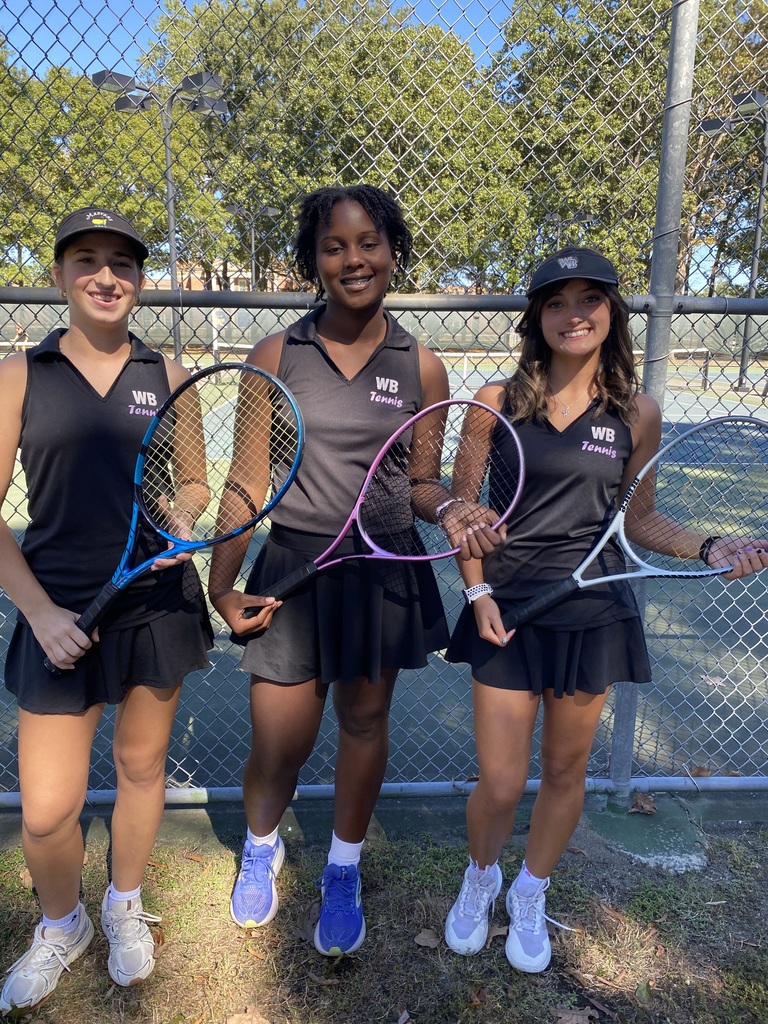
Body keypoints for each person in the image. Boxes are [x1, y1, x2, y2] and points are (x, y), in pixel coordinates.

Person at [442, 246, 768, 973]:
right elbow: (463, 514)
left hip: (593, 613)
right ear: (537, 317)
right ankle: (481, 879)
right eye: (557, 301)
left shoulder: (636, 414)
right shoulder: (490, 405)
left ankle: (531, 890)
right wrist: (477, 589)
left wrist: (710, 543)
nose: (574, 314)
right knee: (498, 782)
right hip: (507, 611)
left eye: (590, 299)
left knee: (564, 769)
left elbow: (641, 520)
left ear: (612, 313)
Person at [208, 184, 497, 958]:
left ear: (392, 250)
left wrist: (452, 512)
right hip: (293, 566)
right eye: (333, 246)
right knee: (279, 744)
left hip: (383, 567)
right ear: (313, 261)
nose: (352, 258)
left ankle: (342, 868)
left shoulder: (422, 367)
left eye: (367, 241)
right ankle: (261, 849)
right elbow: (246, 479)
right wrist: (220, 584)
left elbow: (425, 478)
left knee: (365, 724)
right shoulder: (277, 354)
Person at [0, 207, 213, 1013]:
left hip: (153, 600)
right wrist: (42, 612)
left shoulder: (168, 373)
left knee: (138, 768)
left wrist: (187, 516)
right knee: (49, 812)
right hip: (57, 609)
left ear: (140, 280)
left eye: (122, 262)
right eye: (85, 259)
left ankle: (123, 902)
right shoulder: (21, 374)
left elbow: (192, 479)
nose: (105, 275)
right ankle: (62, 924)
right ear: (58, 276)